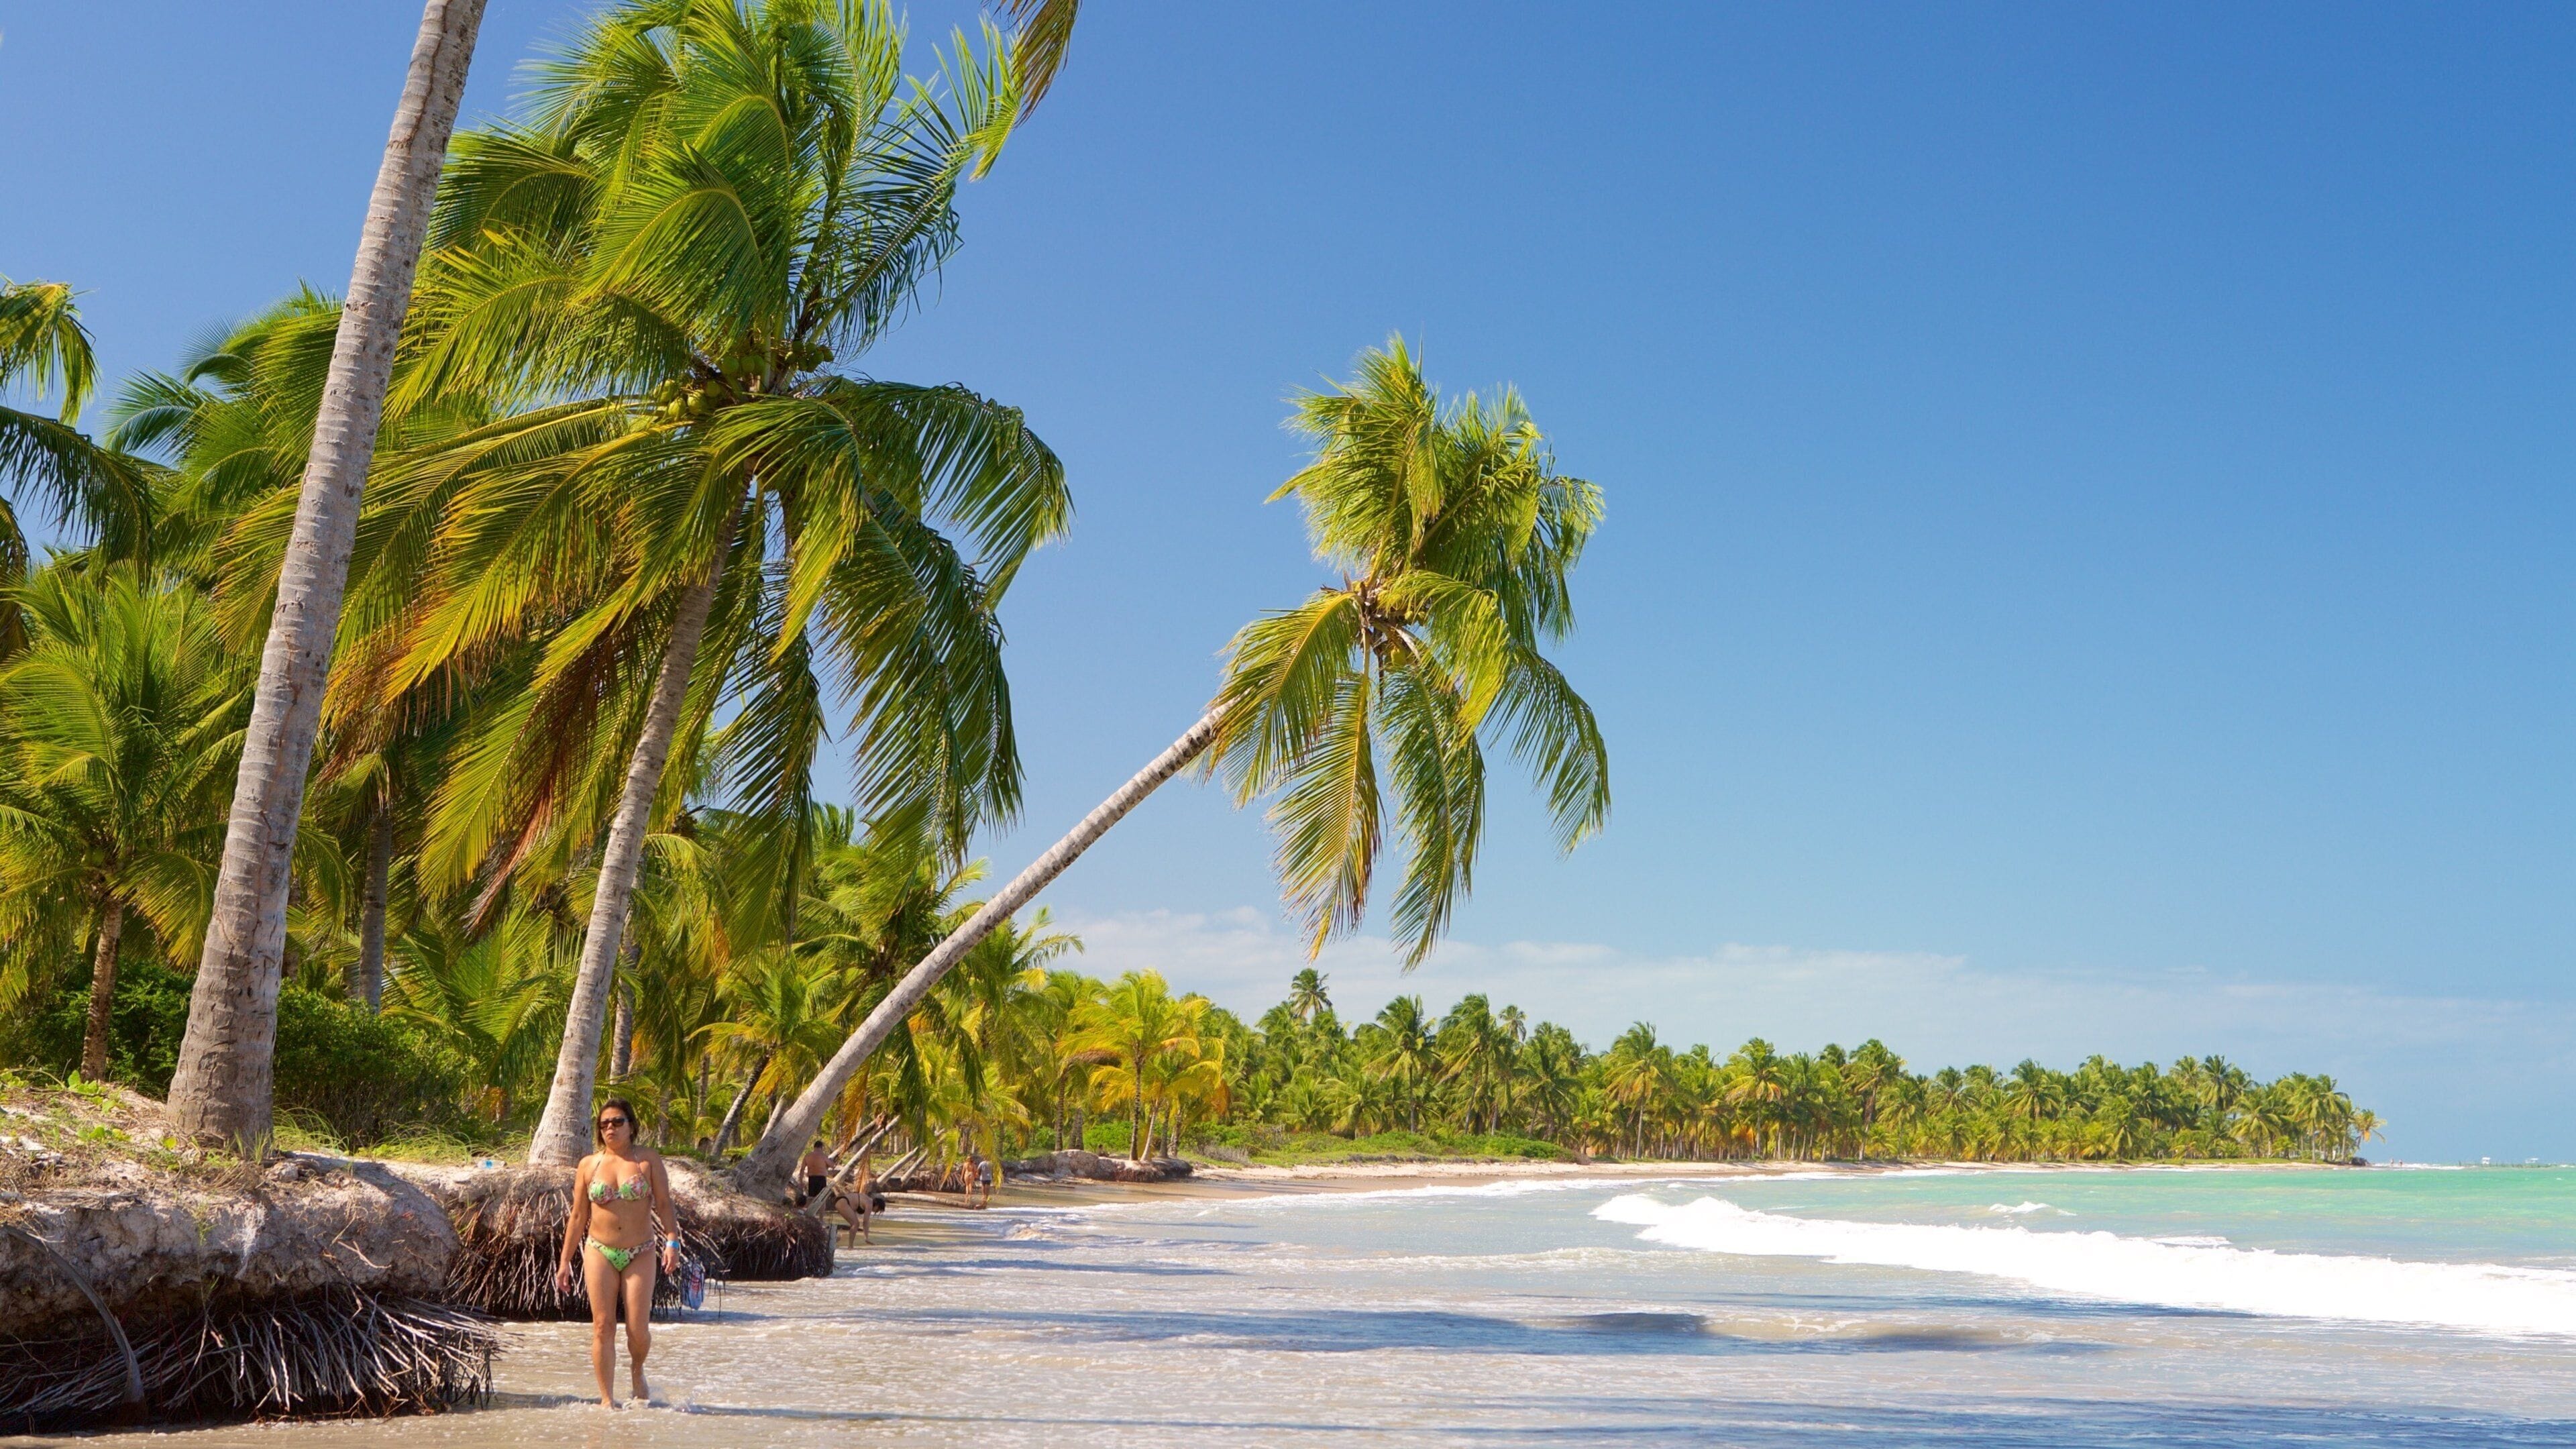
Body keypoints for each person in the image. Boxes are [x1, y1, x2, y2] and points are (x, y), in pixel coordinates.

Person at [553, 1099, 678, 1409]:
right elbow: (578, 1216)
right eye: (605, 1123)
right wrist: (565, 1261)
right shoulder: (589, 1165)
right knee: (602, 1325)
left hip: (641, 1251)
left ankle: (637, 1369)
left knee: (638, 1330)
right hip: (599, 1250)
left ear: (631, 1126)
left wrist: (673, 1241)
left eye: (617, 1121)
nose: (610, 1127)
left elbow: (664, 1203)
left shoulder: (647, 1160)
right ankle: (607, 1401)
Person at [797, 1139, 835, 1208]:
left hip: (812, 1178)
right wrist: (831, 1161)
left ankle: (806, 1214)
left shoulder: (807, 1156)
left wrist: (801, 1181)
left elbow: (802, 1169)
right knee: (822, 1200)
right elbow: (833, 1166)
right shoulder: (823, 1156)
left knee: (811, 1198)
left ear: (814, 1147)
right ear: (821, 1147)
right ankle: (821, 1218)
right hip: (821, 1178)